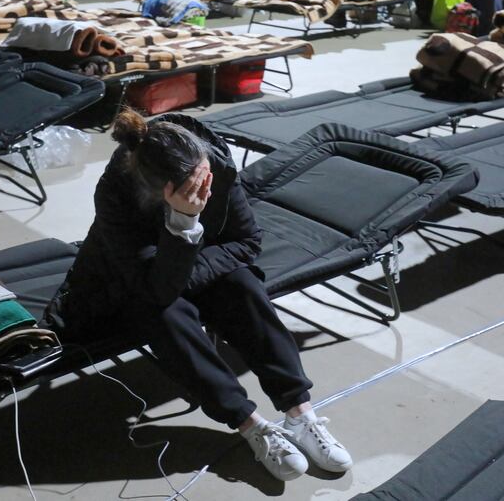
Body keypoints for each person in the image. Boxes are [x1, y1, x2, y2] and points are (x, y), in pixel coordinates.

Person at [45, 110, 352, 481]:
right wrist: (183, 223)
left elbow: (247, 240)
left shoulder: (214, 163)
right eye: (195, 188)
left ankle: (300, 413)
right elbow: (155, 288)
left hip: (182, 268)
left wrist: (186, 268)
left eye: (205, 177)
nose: (207, 186)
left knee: (243, 285)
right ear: (161, 192)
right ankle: (249, 424)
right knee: (163, 313)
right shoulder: (116, 194)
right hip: (123, 283)